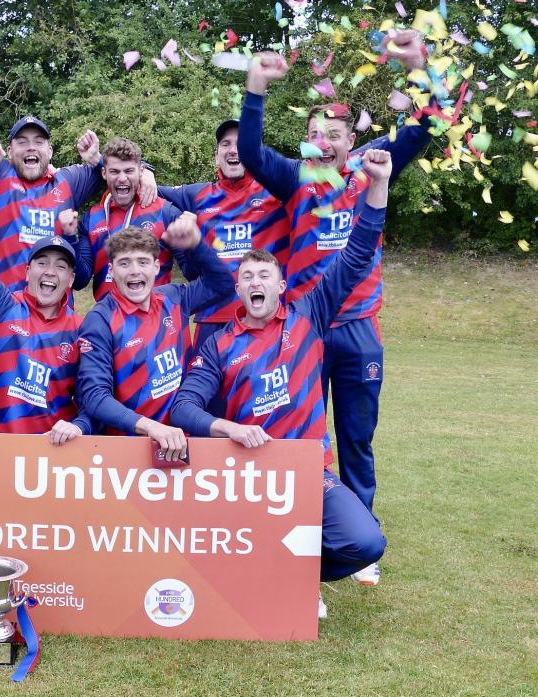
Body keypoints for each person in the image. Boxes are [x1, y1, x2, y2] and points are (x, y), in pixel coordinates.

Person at [238, 31, 432, 586]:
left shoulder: (373, 170)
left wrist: (417, 68)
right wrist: (255, 90)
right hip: (302, 331)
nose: (324, 142)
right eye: (314, 134)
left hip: (358, 331)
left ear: (353, 140)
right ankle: (300, 531)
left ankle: (360, 538)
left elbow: (423, 129)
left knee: (355, 436)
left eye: (335, 134)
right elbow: (250, 152)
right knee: (299, 436)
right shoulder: (296, 179)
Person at [171, 149, 394, 619]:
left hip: (309, 471)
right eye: (246, 276)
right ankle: (260, 570)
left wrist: (378, 187)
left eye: (264, 275)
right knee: (202, 549)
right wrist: (227, 429)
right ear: (238, 289)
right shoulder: (220, 344)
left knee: (366, 542)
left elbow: (356, 255)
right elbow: (185, 408)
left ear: (280, 285)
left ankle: (294, 573)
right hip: (245, 478)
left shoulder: (310, 315)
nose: (255, 281)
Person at [0, 32, 140, 292]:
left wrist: (126, 168)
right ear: (9, 150)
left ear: (50, 150)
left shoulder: (69, 181)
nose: (31, 148)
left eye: (39, 142)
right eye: (22, 142)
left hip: (57, 320)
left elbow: (118, 171)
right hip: (3, 313)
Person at [0, 138, 92, 441]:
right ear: (27, 271)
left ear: (71, 279)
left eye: (61, 266)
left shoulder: (82, 331)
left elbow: (94, 401)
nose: (50, 272)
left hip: (51, 467)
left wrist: (80, 425)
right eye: (42, 262)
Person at [76, 220, 235, 462]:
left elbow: (222, 284)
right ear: (111, 270)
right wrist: (151, 427)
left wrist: (196, 245)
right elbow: (94, 396)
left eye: (143, 262)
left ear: (156, 267)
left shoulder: (173, 297)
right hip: (128, 453)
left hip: (184, 444)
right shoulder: (100, 320)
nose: (134, 271)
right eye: (124, 263)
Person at [157, 119, 289, 351]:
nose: (233, 150)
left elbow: (327, 171)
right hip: (211, 320)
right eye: (225, 144)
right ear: (216, 156)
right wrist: (146, 172)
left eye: (241, 143)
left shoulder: (278, 191)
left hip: (266, 319)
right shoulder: (197, 194)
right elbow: (144, 188)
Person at [58, 138, 184, 301]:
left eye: (129, 171)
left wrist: (196, 243)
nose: (122, 178)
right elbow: (80, 281)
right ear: (104, 173)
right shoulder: (91, 218)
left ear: (141, 171)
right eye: (115, 171)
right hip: (110, 321)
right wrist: (69, 236)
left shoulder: (165, 212)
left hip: (154, 321)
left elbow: (192, 272)